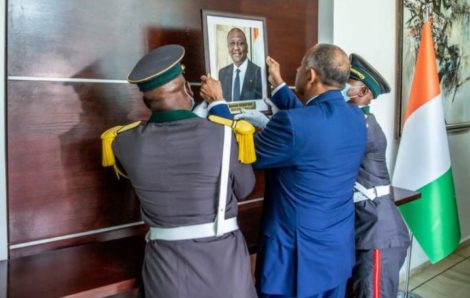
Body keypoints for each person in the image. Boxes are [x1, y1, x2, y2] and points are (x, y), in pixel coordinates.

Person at [201, 44, 367, 298]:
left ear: (310, 75)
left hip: (295, 261)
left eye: (301, 66)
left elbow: (241, 152)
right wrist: (278, 86)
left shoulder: (295, 124)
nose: (297, 70)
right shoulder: (355, 117)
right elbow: (313, 122)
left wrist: (218, 104)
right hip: (335, 254)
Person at [101, 44, 257, 298]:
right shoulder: (225, 134)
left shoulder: (122, 141)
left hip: (165, 276)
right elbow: (245, 187)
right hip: (224, 273)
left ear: (145, 100)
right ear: (187, 89)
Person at [344, 53, 410, 298]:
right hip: (369, 229)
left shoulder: (362, 126)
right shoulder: (357, 121)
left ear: (362, 92)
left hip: (378, 235)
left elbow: (317, 138)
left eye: (345, 86)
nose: (338, 89)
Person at [218, 27, 263, 101]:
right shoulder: (222, 73)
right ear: (228, 47)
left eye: (241, 43)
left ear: (247, 47)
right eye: (232, 43)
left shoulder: (258, 72)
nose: (236, 48)